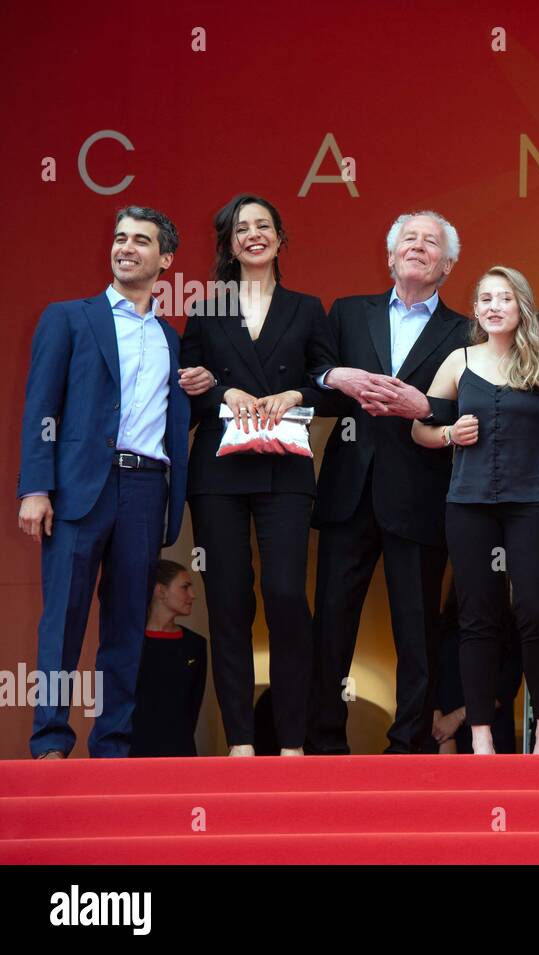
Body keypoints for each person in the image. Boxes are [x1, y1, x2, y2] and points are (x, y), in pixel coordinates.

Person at [19, 206, 199, 759]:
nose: (126, 247)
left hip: (146, 490)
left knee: (126, 628)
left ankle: (114, 745)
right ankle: (50, 740)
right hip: (78, 490)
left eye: (141, 241)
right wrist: (35, 487)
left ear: (165, 260)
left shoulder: (172, 340)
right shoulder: (68, 317)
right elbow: (40, 407)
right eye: (120, 238)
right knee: (63, 623)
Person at [306, 211, 470, 755]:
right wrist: (335, 376)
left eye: (431, 242)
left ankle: (409, 746)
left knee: (418, 632)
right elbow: (314, 381)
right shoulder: (349, 312)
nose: (417, 247)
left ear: (447, 264)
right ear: (390, 254)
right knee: (331, 622)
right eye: (408, 238)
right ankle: (325, 741)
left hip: (422, 492)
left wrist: (426, 405)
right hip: (348, 490)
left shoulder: (465, 330)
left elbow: (477, 407)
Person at [180, 193, 333, 757]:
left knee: (287, 595)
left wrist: (293, 392)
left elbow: (327, 384)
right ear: (228, 243)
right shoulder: (207, 307)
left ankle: (292, 740)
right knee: (227, 600)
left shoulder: (308, 307)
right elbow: (188, 383)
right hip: (218, 470)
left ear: (279, 238)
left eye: (262, 225)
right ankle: (241, 741)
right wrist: (225, 392)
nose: (252, 235)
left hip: (287, 468)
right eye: (240, 228)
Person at [414, 265, 539, 755]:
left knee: (536, 614)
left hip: (533, 503)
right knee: (477, 618)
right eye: (484, 299)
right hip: (469, 505)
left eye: (503, 298)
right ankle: (481, 735)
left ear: (520, 304)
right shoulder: (458, 361)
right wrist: (447, 434)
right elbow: (419, 428)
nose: (492, 306)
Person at [429, 585, 522, 754]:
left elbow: (507, 687)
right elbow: (429, 673)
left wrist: (457, 717)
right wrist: (442, 729)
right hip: (441, 730)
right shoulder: (441, 625)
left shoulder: (510, 629)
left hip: (492, 728)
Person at [130, 560, 207, 757]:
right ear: (161, 591)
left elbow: (192, 708)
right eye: (185, 587)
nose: (193, 595)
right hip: (133, 757)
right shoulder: (129, 644)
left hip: (181, 756)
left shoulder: (196, 644)